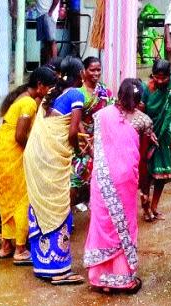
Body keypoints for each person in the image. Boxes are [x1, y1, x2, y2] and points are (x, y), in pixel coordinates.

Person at [84, 78, 153, 294]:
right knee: (124, 226)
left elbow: (92, 144)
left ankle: (101, 279)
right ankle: (122, 278)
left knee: (102, 225)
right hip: (125, 180)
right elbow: (146, 153)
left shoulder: (102, 116)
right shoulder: (143, 121)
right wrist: (144, 188)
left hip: (102, 179)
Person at [24, 56, 85, 285]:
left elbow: (53, 126)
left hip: (37, 156)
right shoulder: (76, 95)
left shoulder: (51, 95)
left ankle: (42, 266)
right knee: (59, 207)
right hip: (54, 157)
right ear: (79, 75)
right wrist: (79, 150)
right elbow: (70, 133)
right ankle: (59, 271)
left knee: (41, 203)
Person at [0, 67, 57, 264]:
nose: (51, 91)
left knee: (8, 199)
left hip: (0, 151)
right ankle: (20, 248)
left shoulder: (22, 98)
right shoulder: (28, 103)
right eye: (50, 87)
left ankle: (6, 246)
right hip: (11, 153)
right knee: (22, 199)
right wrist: (34, 151)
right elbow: (19, 137)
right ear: (40, 86)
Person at [70, 56, 114, 208]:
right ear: (84, 71)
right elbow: (77, 119)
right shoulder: (79, 93)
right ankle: (67, 215)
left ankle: (95, 210)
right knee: (75, 178)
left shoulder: (105, 93)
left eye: (98, 70)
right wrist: (88, 143)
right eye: (92, 70)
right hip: (81, 142)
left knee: (98, 177)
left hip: (101, 140)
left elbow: (110, 115)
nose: (96, 73)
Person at [141, 59, 171, 222]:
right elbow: (140, 112)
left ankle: (155, 206)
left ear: (170, 76)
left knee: (162, 174)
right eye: (157, 77)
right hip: (147, 134)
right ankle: (145, 207)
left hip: (163, 135)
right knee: (147, 173)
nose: (161, 81)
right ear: (153, 75)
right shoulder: (146, 89)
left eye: (164, 78)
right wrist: (148, 132)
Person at [36, 0, 60, 64]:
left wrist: (50, 11)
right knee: (46, 42)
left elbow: (56, 1)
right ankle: (48, 64)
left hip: (48, 15)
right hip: (40, 14)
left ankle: (55, 65)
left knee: (52, 41)